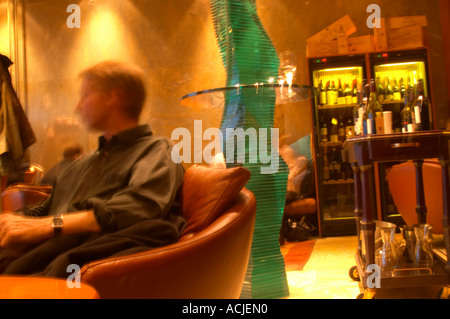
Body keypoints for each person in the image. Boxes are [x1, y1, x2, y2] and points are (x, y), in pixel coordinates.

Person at [0, 61, 186, 276]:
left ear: (114, 96)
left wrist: (52, 225)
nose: (78, 107)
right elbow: (46, 210)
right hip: (34, 255)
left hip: (67, 267)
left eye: (86, 96)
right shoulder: (83, 162)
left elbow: (141, 206)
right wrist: (14, 222)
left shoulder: (156, 149)